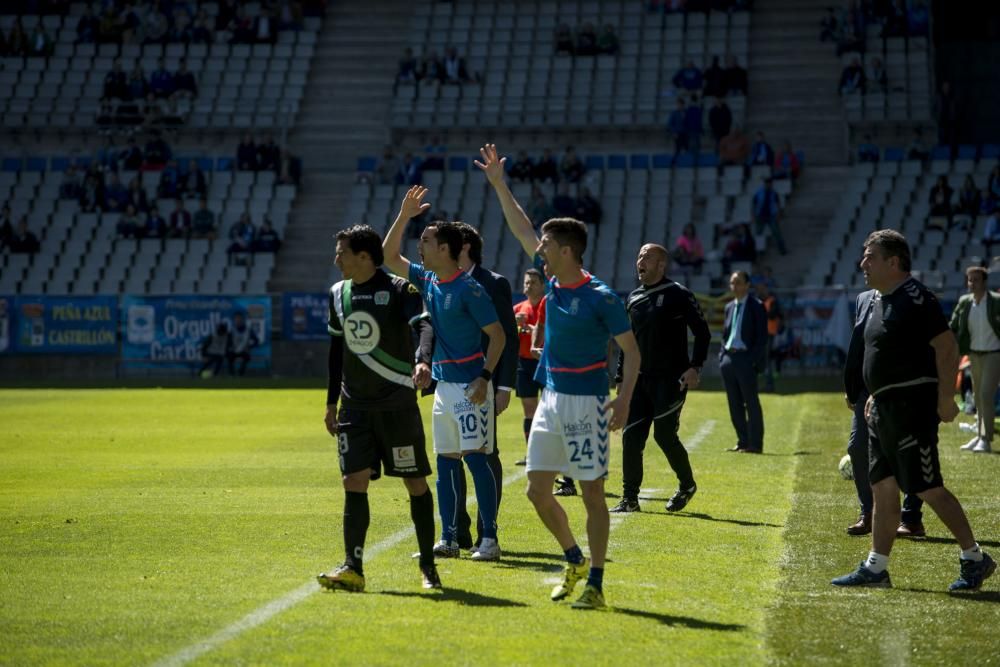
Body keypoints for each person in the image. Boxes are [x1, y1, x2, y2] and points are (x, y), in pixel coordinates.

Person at [477, 143, 641, 610]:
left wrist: (624, 399)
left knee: (592, 493)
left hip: (587, 404)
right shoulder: (551, 282)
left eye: (548, 246)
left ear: (567, 251)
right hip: (550, 400)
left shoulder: (602, 297)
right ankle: (572, 557)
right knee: (535, 489)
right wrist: (499, 184)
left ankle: (596, 580)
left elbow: (632, 351)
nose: (540, 250)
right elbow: (523, 229)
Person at [831, 230, 996, 591]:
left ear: (894, 262)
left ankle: (975, 558)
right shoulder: (878, 299)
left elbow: (947, 347)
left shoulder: (917, 298)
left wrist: (944, 398)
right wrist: (875, 394)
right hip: (883, 409)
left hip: (910, 410)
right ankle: (877, 568)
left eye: (870, 256)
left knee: (927, 487)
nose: (863, 263)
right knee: (883, 487)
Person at [382, 187, 507, 563]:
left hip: (471, 388)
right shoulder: (430, 280)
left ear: (447, 249)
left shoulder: (469, 289)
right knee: (446, 462)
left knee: (475, 459)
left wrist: (485, 378)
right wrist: (404, 215)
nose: (420, 246)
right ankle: (449, 537)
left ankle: (489, 538)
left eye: (426, 240)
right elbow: (389, 257)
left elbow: (498, 336)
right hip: (443, 388)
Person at [316, 224, 441, 592]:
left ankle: (429, 566)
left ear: (364, 257)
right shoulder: (338, 294)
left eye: (342, 252)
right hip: (354, 408)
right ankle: (353, 567)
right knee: (352, 481)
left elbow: (425, 325)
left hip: (396, 406)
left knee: (414, 482)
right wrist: (329, 403)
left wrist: (423, 361)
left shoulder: (400, 289)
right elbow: (336, 350)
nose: (336, 259)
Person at [610, 244, 710, 514]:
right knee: (631, 438)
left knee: (664, 436)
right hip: (640, 381)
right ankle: (629, 499)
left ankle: (687, 485)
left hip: (671, 379)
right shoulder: (632, 299)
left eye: (648, 256)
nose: (640, 259)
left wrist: (695, 368)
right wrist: (621, 377)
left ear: (661, 265)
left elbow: (702, 332)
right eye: (639, 255)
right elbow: (626, 343)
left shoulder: (678, 294)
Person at [450, 222, 519, 552]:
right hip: (449, 383)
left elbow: (508, 333)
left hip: (483, 381)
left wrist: (504, 384)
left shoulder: (493, 283)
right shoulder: (441, 280)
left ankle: (486, 530)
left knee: (484, 454)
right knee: (452, 454)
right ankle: (458, 529)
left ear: (463, 247)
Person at [949, 266, 1000, 454]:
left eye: (976, 280)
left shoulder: (996, 302)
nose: (971, 283)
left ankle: (985, 439)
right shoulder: (965, 302)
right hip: (973, 355)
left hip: (994, 354)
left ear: (985, 282)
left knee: (986, 395)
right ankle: (979, 436)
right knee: (978, 397)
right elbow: (953, 325)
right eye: (969, 280)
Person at [720, 271, 768, 453]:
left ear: (747, 285)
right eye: (732, 283)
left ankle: (755, 444)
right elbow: (725, 335)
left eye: (738, 282)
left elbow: (762, 338)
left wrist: (751, 360)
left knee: (751, 402)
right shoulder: (728, 307)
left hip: (746, 359)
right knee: (734, 403)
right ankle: (742, 441)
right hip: (728, 359)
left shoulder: (757, 306)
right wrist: (721, 357)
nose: (734, 286)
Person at [513, 268, 546, 465]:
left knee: (550, 411)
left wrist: (534, 330)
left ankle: (549, 454)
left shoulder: (548, 306)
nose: (529, 285)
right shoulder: (517, 310)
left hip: (545, 363)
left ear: (542, 285)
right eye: (526, 282)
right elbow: (507, 337)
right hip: (524, 364)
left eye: (533, 282)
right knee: (529, 411)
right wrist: (513, 326)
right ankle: (531, 454)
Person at [751, 177, 787, 254]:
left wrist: (778, 214)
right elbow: (754, 204)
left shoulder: (774, 193)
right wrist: (753, 215)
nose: (768, 185)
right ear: (765, 184)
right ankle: (758, 251)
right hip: (760, 216)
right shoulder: (759, 193)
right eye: (767, 183)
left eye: (769, 184)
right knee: (758, 234)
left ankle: (782, 249)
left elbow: (778, 204)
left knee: (776, 232)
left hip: (771, 215)